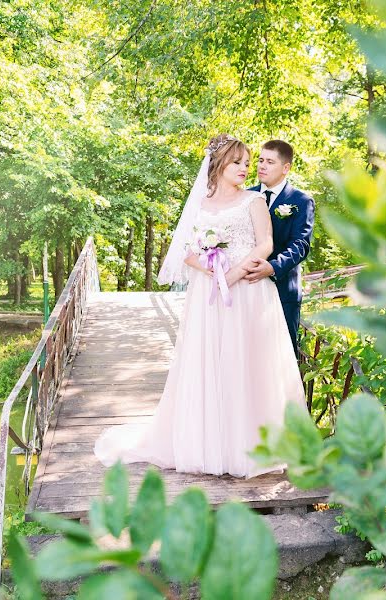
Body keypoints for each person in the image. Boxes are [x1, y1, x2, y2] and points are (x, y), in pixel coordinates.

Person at [93, 134, 305, 478]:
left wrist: (234, 273)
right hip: (208, 296)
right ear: (219, 164)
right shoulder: (200, 204)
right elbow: (184, 252)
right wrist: (208, 267)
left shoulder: (254, 201)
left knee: (247, 365)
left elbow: (265, 243)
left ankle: (253, 446)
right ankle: (211, 443)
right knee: (212, 363)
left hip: (248, 291)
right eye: (237, 162)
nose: (245, 169)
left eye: (248, 164)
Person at [244, 140, 316, 358]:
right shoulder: (245, 196)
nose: (261, 166)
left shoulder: (301, 201)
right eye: (260, 160)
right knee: (249, 354)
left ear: (286, 168)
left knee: (281, 357)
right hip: (247, 288)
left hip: (283, 289)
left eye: (270, 162)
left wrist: (272, 267)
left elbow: (301, 245)